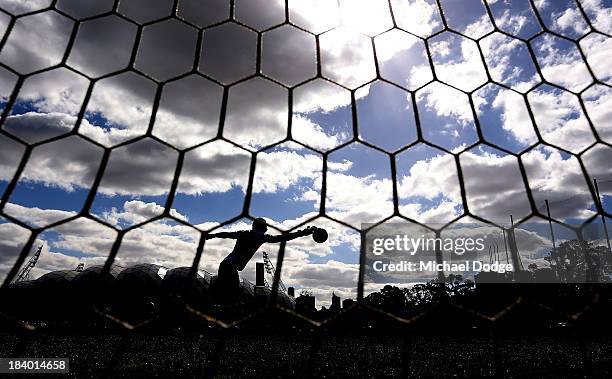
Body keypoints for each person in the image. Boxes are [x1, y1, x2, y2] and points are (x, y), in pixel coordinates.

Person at [206, 218, 315, 300]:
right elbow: (283, 237)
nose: (265, 231)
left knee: (227, 294)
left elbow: (226, 234)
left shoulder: (245, 234)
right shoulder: (260, 237)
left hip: (227, 266)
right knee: (230, 295)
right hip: (229, 267)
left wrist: (213, 235)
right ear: (262, 229)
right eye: (265, 229)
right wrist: (303, 232)